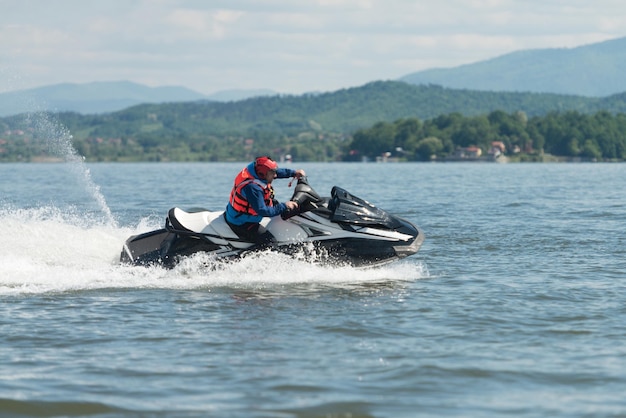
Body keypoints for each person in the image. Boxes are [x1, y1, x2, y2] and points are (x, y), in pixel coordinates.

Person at [225, 156, 306, 245]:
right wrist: (284, 205)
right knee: (270, 243)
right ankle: (247, 258)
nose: (275, 175)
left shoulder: (258, 171)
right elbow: (263, 211)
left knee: (284, 210)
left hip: (247, 211)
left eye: (274, 172)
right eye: (273, 173)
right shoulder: (253, 188)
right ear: (264, 174)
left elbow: (275, 171)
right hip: (241, 222)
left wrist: (294, 173)